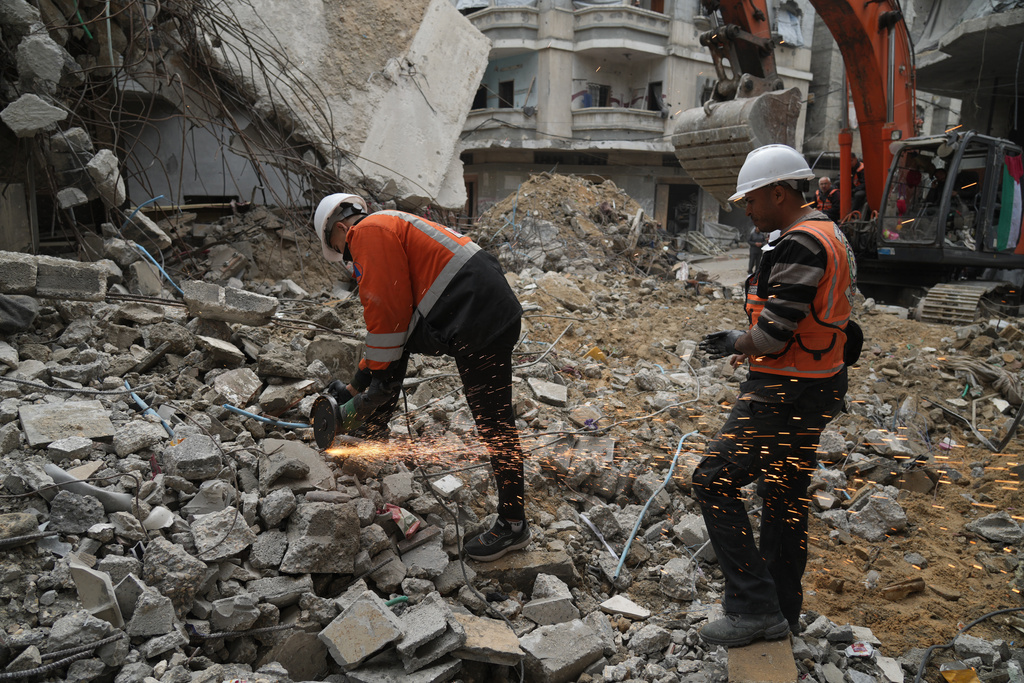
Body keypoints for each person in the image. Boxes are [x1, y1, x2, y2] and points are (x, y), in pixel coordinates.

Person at [694, 144, 856, 647]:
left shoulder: (799, 243)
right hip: (817, 384)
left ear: (779, 192)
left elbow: (772, 334)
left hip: (785, 391)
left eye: (751, 198)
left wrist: (734, 343)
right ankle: (783, 610)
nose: (746, 207)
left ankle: (752, 607)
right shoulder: (828, 233)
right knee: (785, 495)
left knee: (714, 480)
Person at [313, 193, 530, 562]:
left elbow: (385, 311)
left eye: (338, 249)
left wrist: (374, 385)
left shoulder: (365, 233)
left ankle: (513, 524)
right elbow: (396, 325)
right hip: (482, 304)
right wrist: (357, 385)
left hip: (476, 311)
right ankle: (373, 430)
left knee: (494, 423)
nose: (345, 257)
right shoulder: (389, 223)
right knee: (492, 417)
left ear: (339, 229)